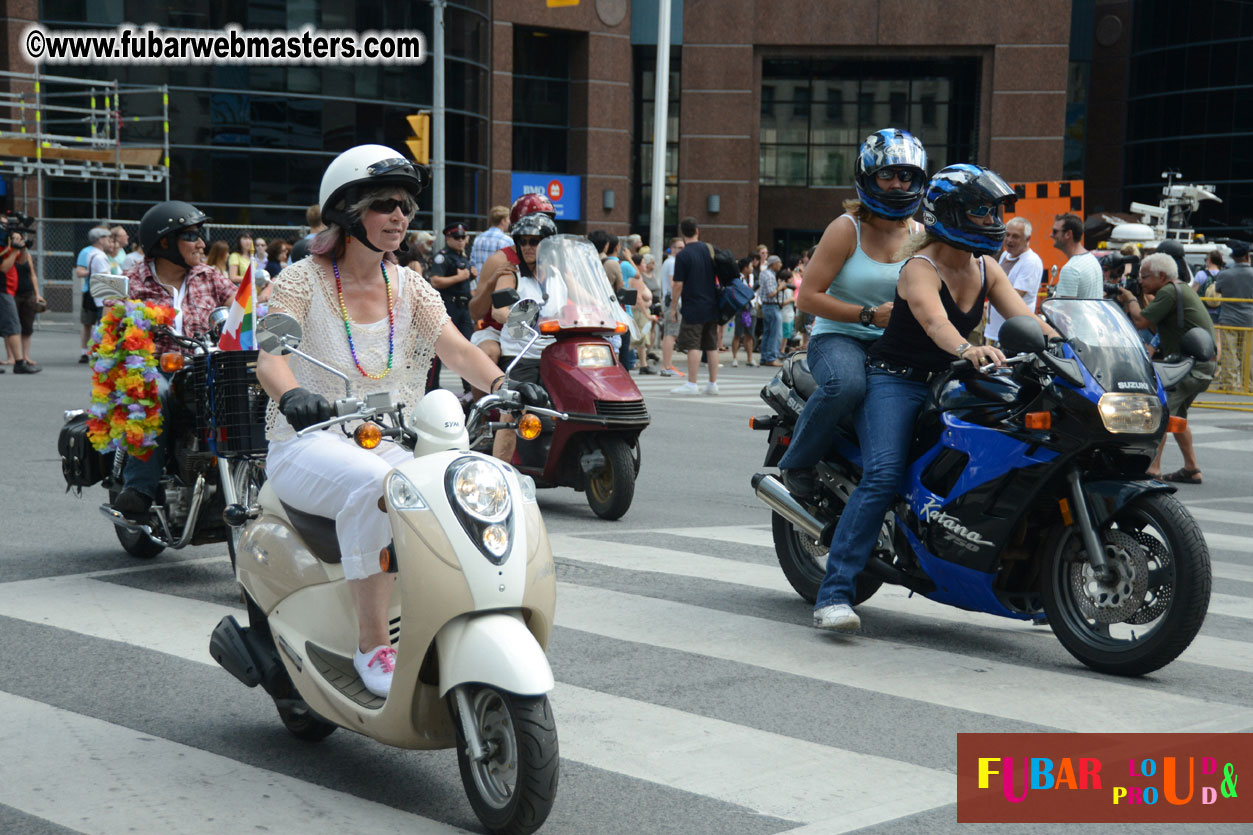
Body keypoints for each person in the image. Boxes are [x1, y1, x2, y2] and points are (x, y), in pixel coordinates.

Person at [256, 145, 543, 699]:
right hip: (306, 442)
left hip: (387, 438)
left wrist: (506, 387)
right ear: (347, 211)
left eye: (406, 207)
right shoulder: (301, 280)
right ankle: (371, 645)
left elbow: (458, 350)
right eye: (385, 204)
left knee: (459, 485)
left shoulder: (409, 286)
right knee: (376, 488)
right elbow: (270, 357)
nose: (400, 217)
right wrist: (292, 395)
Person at [813, 164, 1060, 632]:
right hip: (895, 380)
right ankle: (835, 594)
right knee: (883, 473)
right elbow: (934, 323)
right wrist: (969, 348)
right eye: (981, 210)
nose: (994, 220)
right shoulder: (919, 266)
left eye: (996, 211)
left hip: (952, 380)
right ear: (948, 214)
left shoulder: (987, 267)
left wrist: (1069, 347)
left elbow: (1026, 319)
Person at [778, 128, 929, 498]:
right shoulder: (845, 230)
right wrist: (868, 316)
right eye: (887, 174)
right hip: (839, 338)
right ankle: (796, 460)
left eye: (906, 175)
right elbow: (808, 298)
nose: (897, 184)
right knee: (847, 385)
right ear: (868, 177)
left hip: (896, 348)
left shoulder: (922, 235)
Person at [110, 200, 239, 519]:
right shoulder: (135, 279)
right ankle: (138, 487)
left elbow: (240, 304)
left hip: (206, 363)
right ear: (164, 242)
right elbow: (112, 319)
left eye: (201, 234)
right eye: (192, 235)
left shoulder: (209, 276)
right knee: (154, 394)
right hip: (152, 367)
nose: (201, 243)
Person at [1116, 252, 1218, 484]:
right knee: (1176, 415)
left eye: (1144, 276)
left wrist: (1131, 298)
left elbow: (1141, 321)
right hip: (1201, 365)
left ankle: (1153, 468)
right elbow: (1153, 325)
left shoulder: (1169, 291)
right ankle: (1191, 469)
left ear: (1162, 276)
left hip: (1190, 367)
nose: (1140, 281)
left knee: (1160, 414)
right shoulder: (1179, 289)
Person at [488, 208, 562, 464]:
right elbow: (498, 311)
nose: (528, 246)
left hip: (556, 355)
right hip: (522, 355)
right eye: (523, 241)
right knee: (510, 413)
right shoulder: (513, 274)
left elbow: (584, 300)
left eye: (535, 241)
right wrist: (523, 319)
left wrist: (610, 311)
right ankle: (500, 471)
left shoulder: (560, 277)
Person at [467, 195, 557, 396]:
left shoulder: (554, 261)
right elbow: (477, 312)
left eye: (547, 220)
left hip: (540, 331)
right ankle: (483, 413)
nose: (541, 224)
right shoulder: (500, 260)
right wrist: (490, 285)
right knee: (488, 353)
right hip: (498, 329)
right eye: (536, 218)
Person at [669, 217, 722, 395]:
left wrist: (673, 307)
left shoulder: (683, 255)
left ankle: (692, 384)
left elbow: (678, 284)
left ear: (682, 234)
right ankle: (712, 384)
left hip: (693, 305)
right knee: (712, 345)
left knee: (694, 345)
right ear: (697, 231)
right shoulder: (709, 250)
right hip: (712, 304)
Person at [426, 221, 478, 395]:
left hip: (463, 308)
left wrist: (469, 278)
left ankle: (469, 388)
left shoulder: (462, 257)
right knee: (439, 348)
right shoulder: (442, 257)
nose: (461, 240)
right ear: (448, 238)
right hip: (448, 306)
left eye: (464, 237)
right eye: (457, 237)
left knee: (468, 347)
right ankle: (431, 388)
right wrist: (460, 277)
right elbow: (435, 280)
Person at [986, 217, 1044, 344]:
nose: (1009, 240)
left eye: (1015, 236)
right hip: (995, 332)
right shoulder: (1004, 255)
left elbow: (1015, 296)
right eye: (1007, 235)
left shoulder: (1031, 261)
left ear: (1027, 239)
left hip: (1014, 335)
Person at [1211, 240, 1252, 393]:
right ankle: (1249, 385)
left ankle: (1230, 384)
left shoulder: (1225, 274)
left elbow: (1218, 289)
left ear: (1234, 257)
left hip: (1228, 318)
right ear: (1247, 256)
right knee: (1249, 353)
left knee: (1229, 352)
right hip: (1249, 319)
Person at [76, 226, 114, 363]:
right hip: (94, 294)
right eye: (107, 238)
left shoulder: (97, 254)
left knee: (98, 322)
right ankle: (89, 351)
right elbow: (81, 272)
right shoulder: (92, 254)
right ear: (100, 239)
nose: (109, 241)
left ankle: (93, 350)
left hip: (96, 292)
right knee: (93, 323)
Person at [9, 230, 45, 372]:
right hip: (13, 293)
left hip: (27, 293)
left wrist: (37, 294)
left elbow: (33, 275)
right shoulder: (7, 254)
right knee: (12, 327)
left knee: (27, 327)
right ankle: (12, 357)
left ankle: (25, 356)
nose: (19, 241)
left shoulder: (26, 255)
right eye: (15, 238)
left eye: (20, 238)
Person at [1050, 213, 1102, 299]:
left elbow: (1066, 310)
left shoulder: (1070, 269)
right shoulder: (1092, 259)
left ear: (1068, 234)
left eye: (1055, 231)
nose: (1051, 235)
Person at [658, 237, 686, 377]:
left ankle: (668, 365)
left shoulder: (669, 262)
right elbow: (674, 283)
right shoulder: (673, 262)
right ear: (673, 248)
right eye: (679, 247)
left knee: (670, 333)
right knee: (671, 333)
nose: (682, 250)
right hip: (672, 301)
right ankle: (666, 366)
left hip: (669, 300)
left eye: (683, 247)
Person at [470, 205, 513, 279]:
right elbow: (513, 265)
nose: (509, 222)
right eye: (508, 219)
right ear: (503, 221)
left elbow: (472, 263)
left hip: (479, 284)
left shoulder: (478, 239)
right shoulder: (507, 241)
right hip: (498, 285)